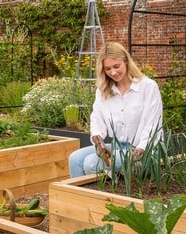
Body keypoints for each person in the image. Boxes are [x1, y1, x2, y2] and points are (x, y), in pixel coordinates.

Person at [69, 42, 163, 178]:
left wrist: (138, 151)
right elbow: (97, 117)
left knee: (90, 164)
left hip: (143, 149)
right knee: (74, 159)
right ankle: (78, 199)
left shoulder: (147, 87)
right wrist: (98, 142)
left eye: (116, 66)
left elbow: (153, 125)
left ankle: (102, 196)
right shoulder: (104, 90)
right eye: (107, 69)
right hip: (119, 146)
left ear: (125, 61)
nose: (112, 72)